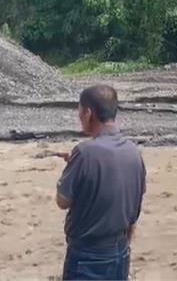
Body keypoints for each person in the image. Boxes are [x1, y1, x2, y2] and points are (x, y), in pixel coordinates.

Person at [57, 84, 146, 281]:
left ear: (89, 113)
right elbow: (133, 205)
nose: (79, 117)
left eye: (80, 112)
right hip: (120, 251)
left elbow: (62, 200)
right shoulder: (133, 152)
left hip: (88, 255)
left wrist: (72, 166)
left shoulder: (84, 153)